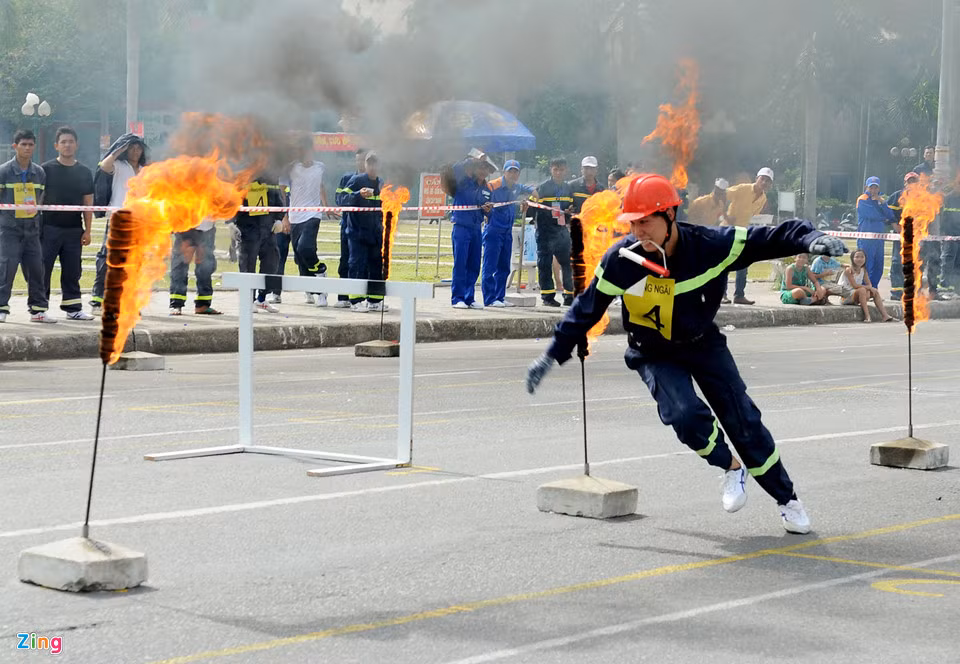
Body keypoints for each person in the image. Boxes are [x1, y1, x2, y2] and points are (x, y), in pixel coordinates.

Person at [526, 173, 849, 534]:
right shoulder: (621, 260)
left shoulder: (710, 245)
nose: (638, 232)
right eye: (632, 224)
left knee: (745, 424)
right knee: (683, 413)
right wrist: (551, 354)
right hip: (652, 353)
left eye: (645, 222)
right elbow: (585, 309)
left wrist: (811, 237)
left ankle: (787, 500)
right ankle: (730, 468)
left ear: (669, 216)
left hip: (702, 344)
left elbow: (769, 238)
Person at [0, 129, 55, 323]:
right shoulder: (4, 171)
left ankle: (38, 310)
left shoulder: (39, 172)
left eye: (31, 144)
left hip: (32, 230)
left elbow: (41, 198)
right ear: (15, 146)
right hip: (9, 230)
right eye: (23, 144)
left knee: (36, 269)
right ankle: (2, 308)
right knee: (6, 268)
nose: (27, 148)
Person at [40, 127, 95, 320]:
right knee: (43, 269)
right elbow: (39, 199)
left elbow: (88, 203)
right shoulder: (45, 170)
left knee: (73, 271)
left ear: (76, 144)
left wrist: (87, 231)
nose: (67, 145)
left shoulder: (85, 172)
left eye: (71, 141)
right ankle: (39, 309)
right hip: (49, 229)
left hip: (73, 230)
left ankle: (73, 309)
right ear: (56, 146)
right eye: (63, 142)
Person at [90, 133, 147, 315]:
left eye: (138, 148)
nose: (136, 151)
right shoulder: (119, 166)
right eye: (132, 147)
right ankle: (98, 300)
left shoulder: (146, 171)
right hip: (117, 219)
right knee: (108, 260)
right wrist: (118, 150)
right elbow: (104, 166)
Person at [281, 137, 331, 307]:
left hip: (313, 215)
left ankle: (321, 280)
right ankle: (309, 289)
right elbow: (282, 191)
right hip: (295, 216)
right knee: (299, 256)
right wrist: (285, 216)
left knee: (305, 247)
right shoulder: (291, 168)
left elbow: (321, 186)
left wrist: (326, 206)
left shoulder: (320, 167)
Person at [448, 150, 495, 309]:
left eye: (485, 168)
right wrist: (471, 158)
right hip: (461, 227)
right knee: (460, 263)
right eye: (479, 167)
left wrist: (488, 210)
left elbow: (487, 211)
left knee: (474, 264)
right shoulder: (464, 181)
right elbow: (455, 168)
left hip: (476, 228)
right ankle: (457, 298)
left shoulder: (487, 189)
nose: (482, 171)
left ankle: (469, 297)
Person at [482, 160, 532, 307]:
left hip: (507, 231)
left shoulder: (516, 188)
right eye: (510, 171)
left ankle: (499, 297)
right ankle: (489, 298)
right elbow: (483, 203)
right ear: (504, 172)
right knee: (490, 266)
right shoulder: (493, 185)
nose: (513, 174)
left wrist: (525, 203)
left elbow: (533, 192)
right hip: (493, 230)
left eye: (516, 171)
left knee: (504, 266)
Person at [344, 152, 388, 312]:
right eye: (370, 164)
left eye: (375, 164)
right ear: (366, 165)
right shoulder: (357, 180)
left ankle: (375, 300)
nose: (372, 167)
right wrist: (358, 194)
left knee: (376, 265)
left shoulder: (381, 183)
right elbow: (341, 198)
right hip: (357, 233)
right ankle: (355, 301)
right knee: (356, 265)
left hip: (375, 233)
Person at [722, 167, 774, 304]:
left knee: (743, 264)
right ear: (757, 178)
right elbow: (721, 196)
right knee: (725, 263)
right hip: (728, 230)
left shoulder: (763, 198)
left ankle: (739, 295)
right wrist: (726, 216)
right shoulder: (742, 188)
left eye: (768, 181)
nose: (764, 182)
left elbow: (753, 216)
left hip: (743, 232)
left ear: (770, 185)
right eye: (762, 179)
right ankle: (722, 295)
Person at [236, 171, 285, 313]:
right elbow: (232, 200)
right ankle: (248, 300)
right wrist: (231, 223)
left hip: (268, 229)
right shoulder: (242, 174)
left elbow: (278, 199)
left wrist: (279, 218)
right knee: (247, 266)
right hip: (247, 229)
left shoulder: (271, 176)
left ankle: (262, 299)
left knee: (272, 264)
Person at [532, 158, 575, 306]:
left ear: (566, 170)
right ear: (551, 169)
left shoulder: (568, 188)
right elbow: (532, 207)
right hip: (545, 231)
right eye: (556, 169)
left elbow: (570, 207)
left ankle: (569, 295)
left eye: (561, 169)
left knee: (568, 262)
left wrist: (569, 211)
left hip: (561, 231)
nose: (558, 172)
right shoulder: (542, 188)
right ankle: (548, 296)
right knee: (545, 263)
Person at [333, 148, 366, 308]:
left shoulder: (375, 181)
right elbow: (339, 199)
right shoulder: (347, 178)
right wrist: (357, 194)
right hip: (348, 226)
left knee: (365, 263)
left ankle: (365, 297)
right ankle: (343, 297)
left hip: (367, 228)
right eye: (358, 160)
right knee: (346, 261)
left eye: (364, 160)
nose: (360, 163)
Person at [169, 218, 220, 315]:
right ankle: (176, 304)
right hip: (186, 228)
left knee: (206, 268)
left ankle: (203, 305)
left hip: (207, 229)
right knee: (180, 266)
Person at [856, 176, 895, 289]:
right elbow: (870, 214)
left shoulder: (881, 200)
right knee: (867, 264)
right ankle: (864, 288)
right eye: (871, 187)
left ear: (878, 188)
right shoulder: (862, 199)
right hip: (866, 238)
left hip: (879, 238)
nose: (873, 190)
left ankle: (874, 288)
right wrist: (884, 218)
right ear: (866, 187)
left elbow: (890, 215)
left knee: (879, 264)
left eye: (875, 188)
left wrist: (882, 203)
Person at [885, 172, 919, 301]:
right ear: (905, 183)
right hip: (900, 235)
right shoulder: (897, 196)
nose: (912, 184)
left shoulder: (922, 198)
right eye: (909, 181)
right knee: (897, 262)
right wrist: (895, 225)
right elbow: (888, 213)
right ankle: (896, 292)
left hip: (916, 236)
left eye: (914, 181)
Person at [840, 248, 896, 323]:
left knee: (874, 291)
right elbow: (855, 286)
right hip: (846, 296)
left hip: (856, 294)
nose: (860, 259)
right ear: (852, 258)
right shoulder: (849, 270)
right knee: (862, 290)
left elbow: (869, 283)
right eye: (857, 257)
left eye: (862, 257)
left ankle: (885, 315)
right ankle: (867, 316)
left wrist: (869, 289)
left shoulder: (864, 270)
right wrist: (868, 288)